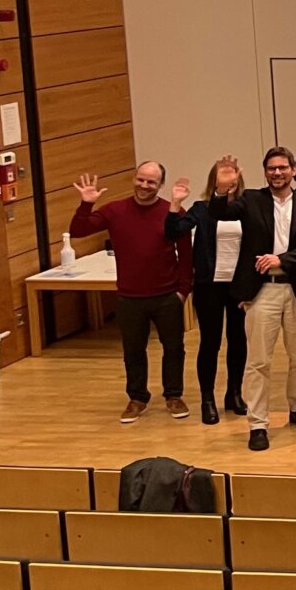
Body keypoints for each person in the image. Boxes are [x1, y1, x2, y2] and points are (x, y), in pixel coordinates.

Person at [71, 162, 190, 423]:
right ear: (134, 179)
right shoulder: (115, 210)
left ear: (160, 185)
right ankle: (137, 398)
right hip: (129, 297)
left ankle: (173, 395)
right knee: (133, 351)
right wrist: (86, 204)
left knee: (174, 348)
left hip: (167, 295)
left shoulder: (173, 212)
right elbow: (78, 231)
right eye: (140, 179)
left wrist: (182, 291)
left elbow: (186, 255)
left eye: (151, 182)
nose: (144, 185)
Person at [232, 146, 296, 451]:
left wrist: (282, 259)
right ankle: (258, 423)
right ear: (265, 172)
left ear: (293, 171)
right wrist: (222, 189)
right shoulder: (251, 200)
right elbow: (219, 212)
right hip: (262, 290)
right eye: (272, 168)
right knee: (259, 360)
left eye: (283, 168)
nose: (277, 173)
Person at [179, 157, 248, 425]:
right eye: (222, 174)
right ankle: (207, 399)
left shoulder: (247, 206)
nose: (228, 178)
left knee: (238, 340)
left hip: (238, 284)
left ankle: (234, 393)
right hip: (209, 284)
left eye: (232, 174)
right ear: (213, 180)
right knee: (210, 342)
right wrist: (174, 204)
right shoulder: (201, 208)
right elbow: (174, 230)